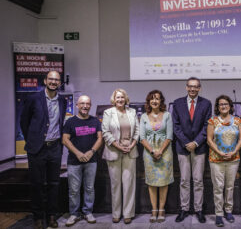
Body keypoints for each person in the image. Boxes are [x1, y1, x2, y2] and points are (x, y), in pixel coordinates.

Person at [20, 71, 67, 229]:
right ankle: (38, 217)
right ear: (45, 80)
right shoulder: (34, 98)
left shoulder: (62, 100)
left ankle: (51, 215)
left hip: (55, 148)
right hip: (37, 149)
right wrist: (33, 140)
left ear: (59, 82)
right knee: (37, 184)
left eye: (57, 80)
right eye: (51, 79)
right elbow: (24, 121)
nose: (54, 82)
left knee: (54, 183)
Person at [172, 77, 212, 223]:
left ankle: (198, 209)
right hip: (182, 148)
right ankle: (184, 209)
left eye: (196, 87)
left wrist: (196, 142)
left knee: (198, 180)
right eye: (190, 86)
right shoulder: (177, 103)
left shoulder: (206, 103)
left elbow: (207, 125)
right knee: (184, 180)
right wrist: (186, 142)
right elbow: (175, 126)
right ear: (186, 87)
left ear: (199, 88)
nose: (193, 89)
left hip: (199, 147)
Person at [62, 95, 103, 226]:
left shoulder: (95, 121)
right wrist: (78, 153)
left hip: (91, 160)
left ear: (90, 106)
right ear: (77, 105)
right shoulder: (70, 122)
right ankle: (74, 214)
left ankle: (87, 212)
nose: (85, 106)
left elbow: (100, 138)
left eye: (87, 104)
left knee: (90, 188)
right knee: (74, 189)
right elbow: (65, 139)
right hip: (74, 161)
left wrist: (91, 152)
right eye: (82, 104)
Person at [101, 88, 140, 224]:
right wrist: (119, 146)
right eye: (117, 97)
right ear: (114, 99)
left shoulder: (132, 112)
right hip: (113, 151)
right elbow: (105, 132)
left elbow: (137, 131)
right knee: (115, 184)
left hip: (130, 151)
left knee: (129, 183)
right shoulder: (108, 113)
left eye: (122, 97)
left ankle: (128, 213)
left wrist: (131, 145)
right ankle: (116, 213)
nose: (120, 100)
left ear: (126, 99)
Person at [207, 95, 241, 227]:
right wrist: (219, 152)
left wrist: (234, 152)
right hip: (216, 159)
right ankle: (218, 214)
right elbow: (209, 140)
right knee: (218, 187)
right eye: (221, 104)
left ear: (230, 106)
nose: (223, 106)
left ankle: (228, 211)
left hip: (233, 159)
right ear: (217, 107)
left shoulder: (238, 120)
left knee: (229, 187)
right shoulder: (212, 121)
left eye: (226, 104)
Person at [140, 90, 174, 223]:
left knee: (164, 182)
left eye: (157, 99)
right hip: (149, 154)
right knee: (152, 182)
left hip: (165, 153)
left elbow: (169, 136)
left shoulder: (167, 115)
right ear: (149, 102)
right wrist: (153, 151)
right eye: (152, 99)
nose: (155, 101)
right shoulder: (143, 116)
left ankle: (161, 209)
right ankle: (154, 210)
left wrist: (160, 151)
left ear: (161, 101)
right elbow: (142, 138)